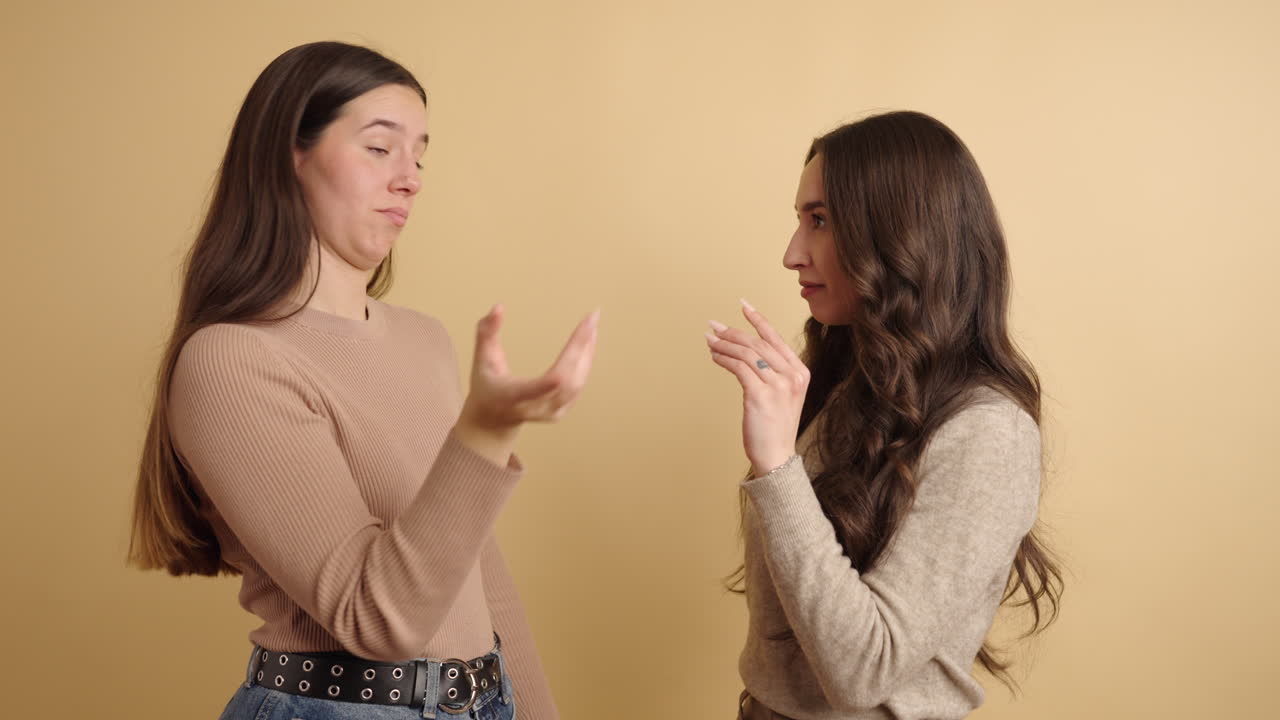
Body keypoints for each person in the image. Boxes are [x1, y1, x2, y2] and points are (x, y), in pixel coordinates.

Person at [128, 41, 596, 720]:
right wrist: (487, 430)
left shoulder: (425, 339)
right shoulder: (231, 360)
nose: (411, 178)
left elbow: (476, 574)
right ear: (290, 154)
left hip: (486, 702)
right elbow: (378, 621)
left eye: (420, 155)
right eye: (381, 149)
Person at [705, 111, 1063, 720]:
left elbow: (861, 672)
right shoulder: (848, 390)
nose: (793, 254)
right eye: (799, 220)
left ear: (897, 234)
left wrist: (777, 466)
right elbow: (780, 635)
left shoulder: (989, 432)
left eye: (819, 220)